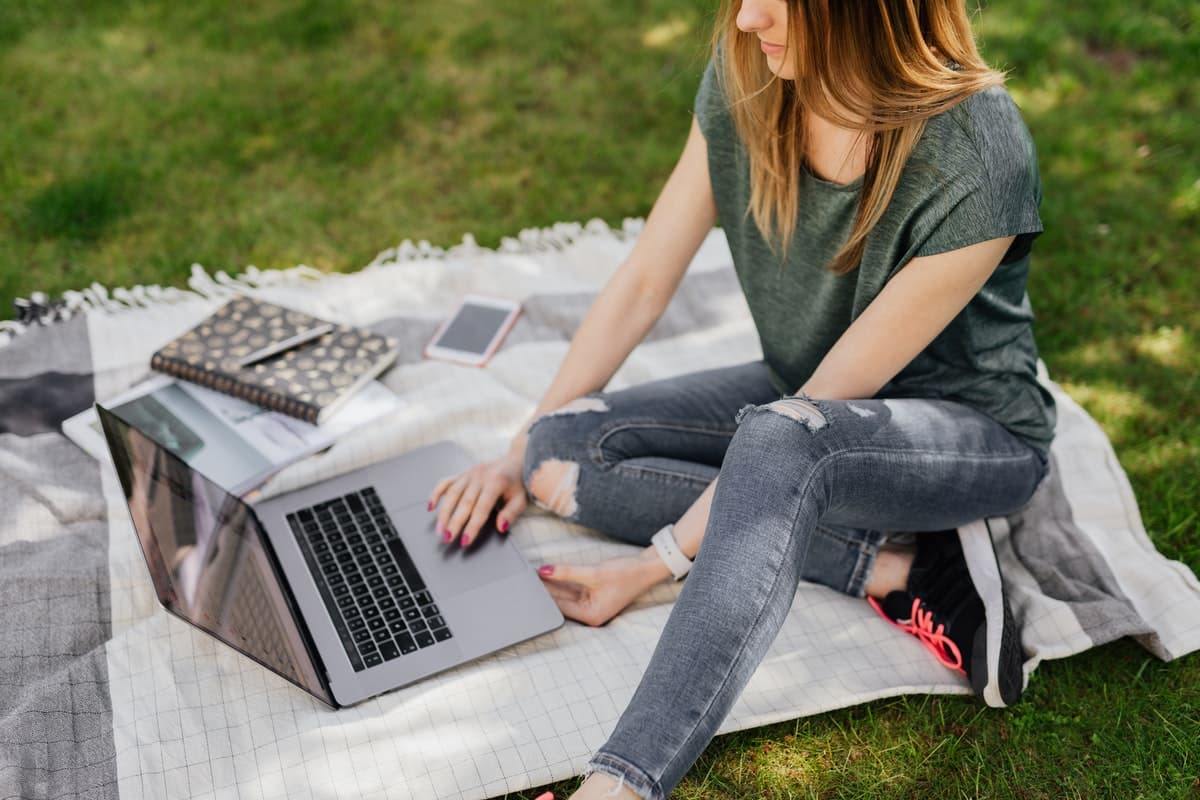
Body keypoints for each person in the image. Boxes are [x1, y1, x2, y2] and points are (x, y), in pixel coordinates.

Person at [428, 0, 1055, 797]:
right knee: (563, 448)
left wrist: (653, 567)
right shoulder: (750, 70)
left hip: (968, 431)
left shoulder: (979, 147)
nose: (751, 16)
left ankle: (622, 781)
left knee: (780, 441)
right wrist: (515, 450)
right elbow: (647, 279)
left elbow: (816, 411)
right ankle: (894, 565)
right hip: (802, 392)